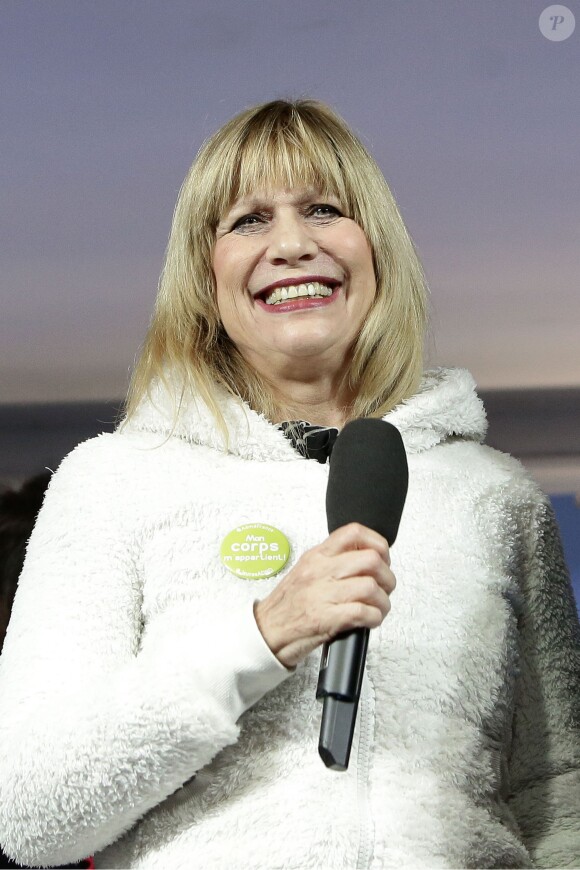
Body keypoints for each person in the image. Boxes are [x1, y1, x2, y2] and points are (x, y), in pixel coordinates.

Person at [0, 99, 578, 870]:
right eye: (248, 221)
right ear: (204, 279)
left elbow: (556, 795)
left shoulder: (495, 498)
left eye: (324, 210)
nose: (292, 244)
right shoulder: (112, 483)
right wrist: (261, 638)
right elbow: (32, 815)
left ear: (376, 250)